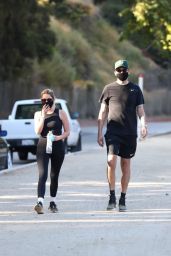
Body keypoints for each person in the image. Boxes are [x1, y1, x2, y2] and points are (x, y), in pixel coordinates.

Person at [97, 59, 147, 211]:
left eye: (123, 69)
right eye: (118, 70)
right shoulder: (108, 89)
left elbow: (141, 111)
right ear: (114, 72)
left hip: (130, 133)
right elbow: (103, 112)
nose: (121, 72)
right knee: (111, 161)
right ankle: (112, 195)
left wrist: (143, 124)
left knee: (125, 164)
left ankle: (123, 198)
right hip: (113, 132)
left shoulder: (135, 89)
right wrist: (100, 132)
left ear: (128, 71)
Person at [34, 88, 70, 214]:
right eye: (43, 100)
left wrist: (58, 138)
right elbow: (38, 131)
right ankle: (40, 202)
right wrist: (43, 117)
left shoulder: (60, 113)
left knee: (54, 175)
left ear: (53, 99)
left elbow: (67, 131)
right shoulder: (38, 114)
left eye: (48, 100)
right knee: (42, 174)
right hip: (43, 145)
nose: (46, 102)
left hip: (57, 146)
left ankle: (53, 202)